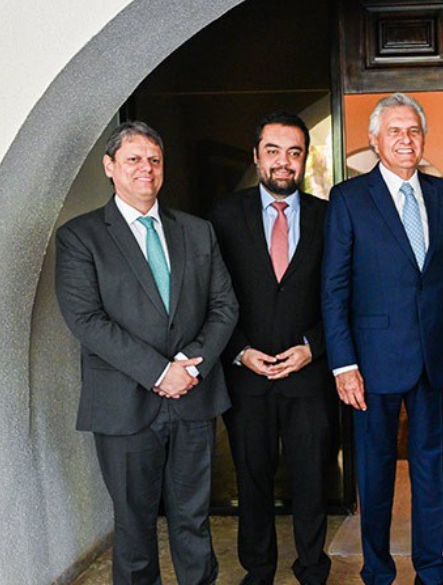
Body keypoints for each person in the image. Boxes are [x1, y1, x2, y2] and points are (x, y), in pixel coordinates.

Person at [55, 121, 238, 584]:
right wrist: (159, 372)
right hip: (124, 404)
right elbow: (86, 320)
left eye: (154, 160)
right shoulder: (81, 237)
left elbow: (224, 306)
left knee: (194, 523)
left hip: (193, 397)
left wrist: (188, 366)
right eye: (133, 159)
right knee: (134, 530)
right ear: (110, 167)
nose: (146, 169)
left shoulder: (197, 232)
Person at [321, 93, 443, 585]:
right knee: (375, 472)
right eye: (394, 132)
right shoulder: (348, 198)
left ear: (422, 138)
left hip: (432, 358)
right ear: (374, 140)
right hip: (371, 362)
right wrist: (344, 364)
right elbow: (334, 286)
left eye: (413, 131)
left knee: (433, 472)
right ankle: (378, 569)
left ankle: (431, 569)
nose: (405, 140)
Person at [209, 111, 334, 584]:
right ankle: (258, 571)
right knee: (252, 480)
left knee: (311, 481)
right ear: (257, 155)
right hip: (248, 376)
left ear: (304, 159)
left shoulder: (327, 215)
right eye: (274, 151)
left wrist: (312, 347)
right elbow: (212, 293)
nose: (285, 162)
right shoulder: (224, 215)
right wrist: (239, 351)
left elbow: (340, 293)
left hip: (308, 373)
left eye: (295, 152)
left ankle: (312, 568)